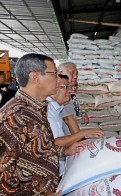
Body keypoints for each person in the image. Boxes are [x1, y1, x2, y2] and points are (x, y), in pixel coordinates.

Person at [0, 53, 85, 195]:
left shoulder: (38, 108)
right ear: (35, 77)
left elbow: (40, 145)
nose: (58, 81)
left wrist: (63, 151)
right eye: (54, 74)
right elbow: (3, 170)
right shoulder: (16, 116)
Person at [47, 74, 104, 177]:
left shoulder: (56, 109)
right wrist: (84, 134)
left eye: (70, 87)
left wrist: (68, 151)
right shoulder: (48, 111)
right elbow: (54, 143)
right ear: (53, 88)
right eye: (66, 87)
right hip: (52, 171)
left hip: (58, 166)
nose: (70, 91)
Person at [57, 62, 97, 135]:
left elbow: (72, 109)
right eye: (71, 73)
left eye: (76, 73)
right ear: (60, 73)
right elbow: (69, 119)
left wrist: (81, 113)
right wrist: (80, 140)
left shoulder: (69, 92)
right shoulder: (61, 93)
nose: (75, 76)